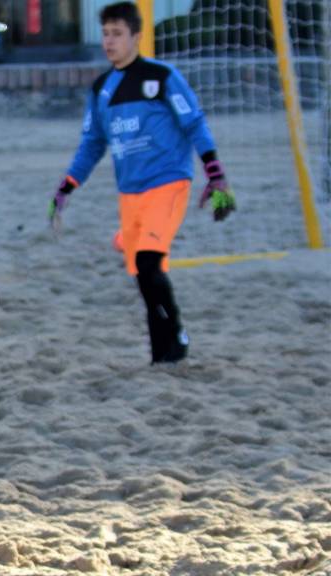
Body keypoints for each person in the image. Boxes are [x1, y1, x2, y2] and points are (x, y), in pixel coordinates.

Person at [48, 1, 235, 364]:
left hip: (168, 183)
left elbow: (194, 123)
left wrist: (215, 173)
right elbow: (92, 145)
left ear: (136, 36)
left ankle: (177, 334)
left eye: (117, 34)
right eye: (105, 34)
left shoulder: (162, 77)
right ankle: (161, 354)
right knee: (144, 275)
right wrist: (66, 187)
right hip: (129, 194)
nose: (109, 41)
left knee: (149, 262)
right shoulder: (101, 88)